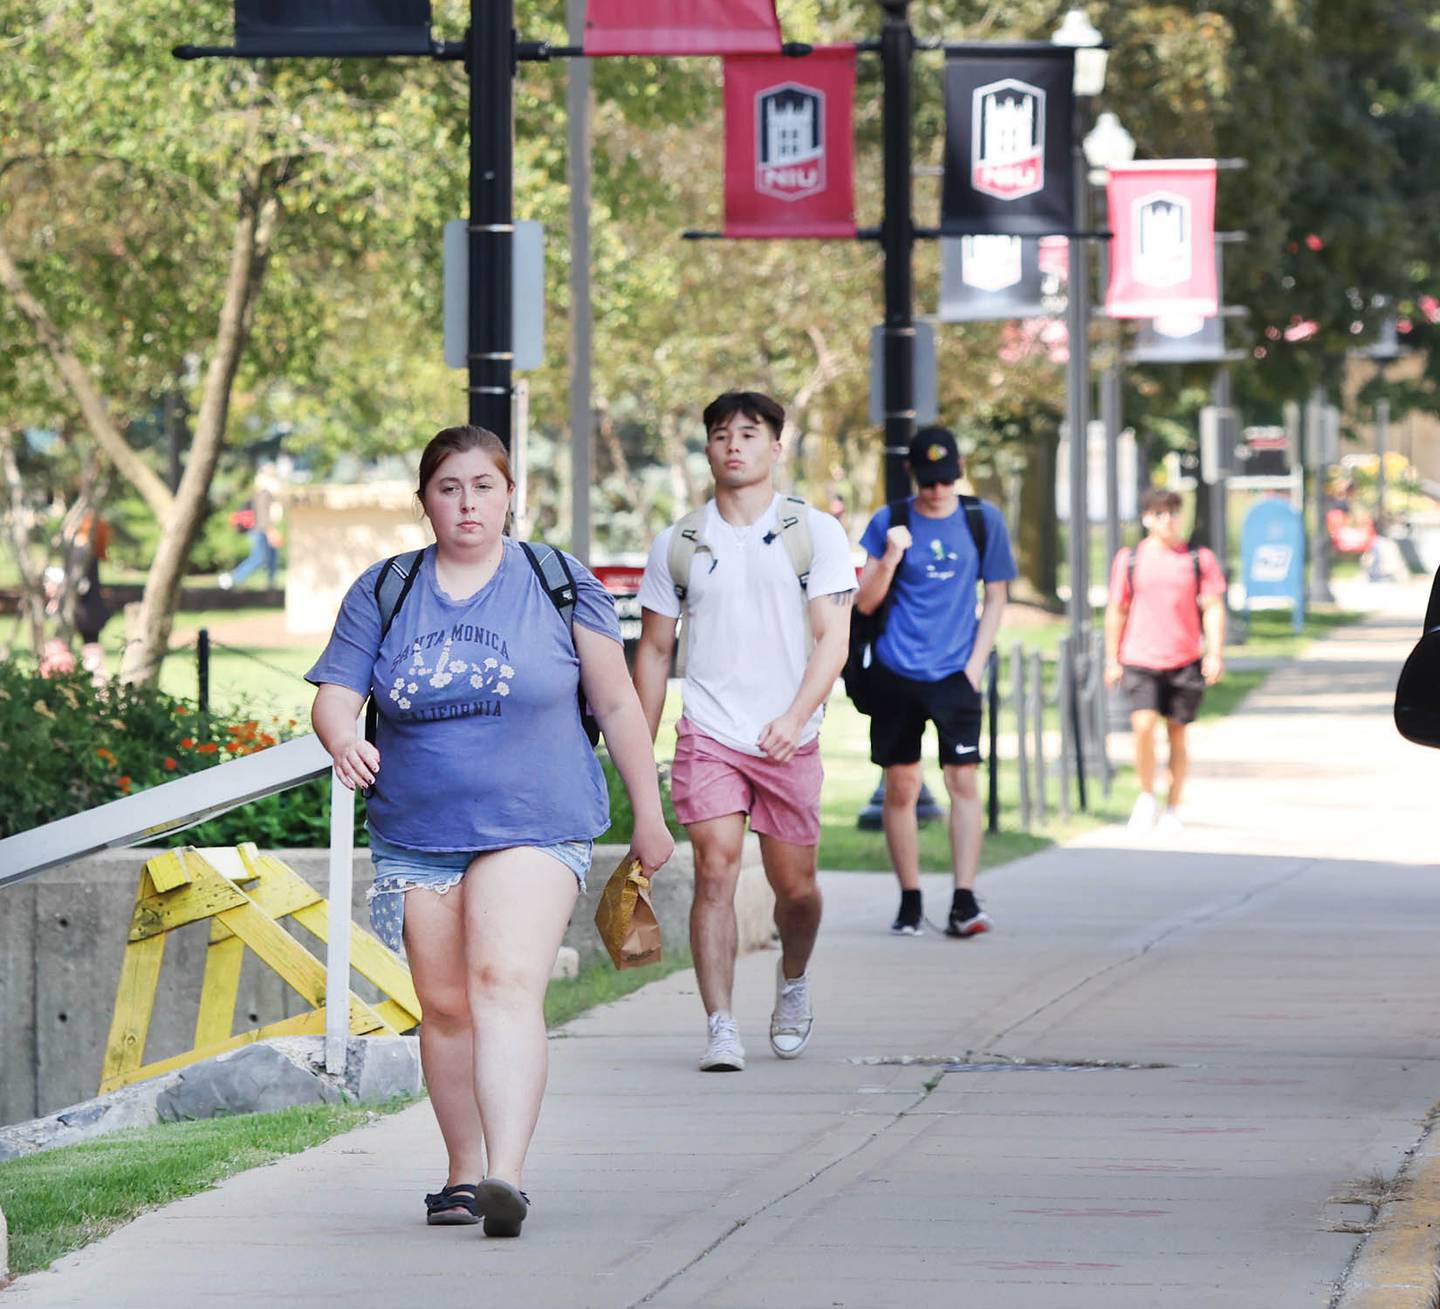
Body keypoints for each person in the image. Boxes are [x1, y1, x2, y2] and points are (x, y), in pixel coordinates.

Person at [306, 425, 673, 1239]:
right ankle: (461, 1172)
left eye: (484, 485)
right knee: (443, 1006)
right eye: (449, 487)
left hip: (536, 821)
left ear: (511, 494)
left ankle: (506, 1174)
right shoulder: (387, 588)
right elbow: (335, 692)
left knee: (503, 979)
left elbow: (616, 703)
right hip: (418, 828)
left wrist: (649, 813)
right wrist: (344, 737)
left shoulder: (557, 580)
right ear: (426, 501)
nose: (467, 502)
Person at [633, 391, 854, 1073]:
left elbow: (833, 639)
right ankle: (720, 1024)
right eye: (722, 434)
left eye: (750, 433)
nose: (735, 444)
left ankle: (792, 977)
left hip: (789, 737)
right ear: (707, 449)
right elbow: (654, 651)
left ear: (776, 447)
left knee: (798, 890)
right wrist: (639, 746)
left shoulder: (814, 533)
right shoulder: (679, 543)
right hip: (711, 732)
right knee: (716, 870)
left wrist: (794, 718)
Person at [855, 426, 1016, 939]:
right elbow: (863, 602)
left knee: (962, 781)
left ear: (959, 472)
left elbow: (996, 597)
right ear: (912, 475)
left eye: (946, 480)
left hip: (955, 675)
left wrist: (974, 666)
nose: (938, 491)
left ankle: (964, 899)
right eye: (929, 482)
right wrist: (889, 558)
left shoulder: (981, 520)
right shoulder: (890, 520)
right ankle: (910, 898)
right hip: (897, 672)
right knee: (901, 785)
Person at [1103, 487, 1227, 835]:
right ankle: (1146, 795)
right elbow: (1117, 610)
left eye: (1173, 512)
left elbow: (1213, 607)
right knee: (1142, 726)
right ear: (1146, 519)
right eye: (1160, 513)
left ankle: (1173, 805)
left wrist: (1214, 652)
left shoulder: (1197, 559)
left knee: (1177, 733)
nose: (1168, 520)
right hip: (1140, 657)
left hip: (1184, 657)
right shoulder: (1130, 560)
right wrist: (1112, 658)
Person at [220, 465, 283, 590]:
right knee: (259, 558)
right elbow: (263, 517)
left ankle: (271, 584)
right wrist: (271, 532)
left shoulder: (265, 493)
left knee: (272, 558)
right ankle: (234, 578)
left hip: (263, 530)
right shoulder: (264, 494)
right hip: (261, 531)